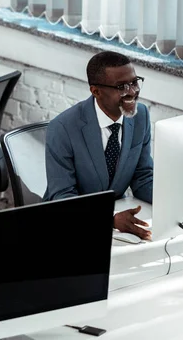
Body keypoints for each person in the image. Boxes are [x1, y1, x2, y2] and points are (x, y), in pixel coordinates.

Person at [43, 51, 153, 240]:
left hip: (118, 220)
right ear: (96, 91)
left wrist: (174, 202)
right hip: (69, 225)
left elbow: (142, 177)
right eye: (121, 86)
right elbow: (63, 198)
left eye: (134, 82)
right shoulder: (62, 129)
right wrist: (109, 220)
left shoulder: (140, 115)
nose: (132, 92)